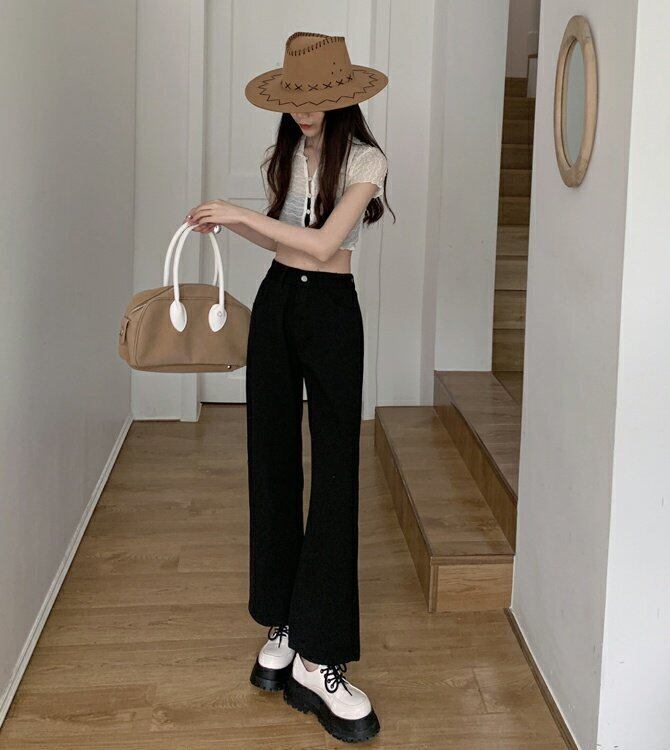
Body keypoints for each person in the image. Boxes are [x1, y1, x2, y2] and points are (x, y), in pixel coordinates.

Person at [185, 31, 392, 744]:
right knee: (270, 460)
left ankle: (320, 654)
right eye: (295, 98)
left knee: (335, 472)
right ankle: (281, 621)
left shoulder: (365, 160)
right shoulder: (286, 155)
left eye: (316, 97)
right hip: (277, 302)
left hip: (331, 313)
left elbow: (326, 244)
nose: (305, 110)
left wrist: (239, 211)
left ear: (343, 96)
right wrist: (227, 223)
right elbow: (282, 241)